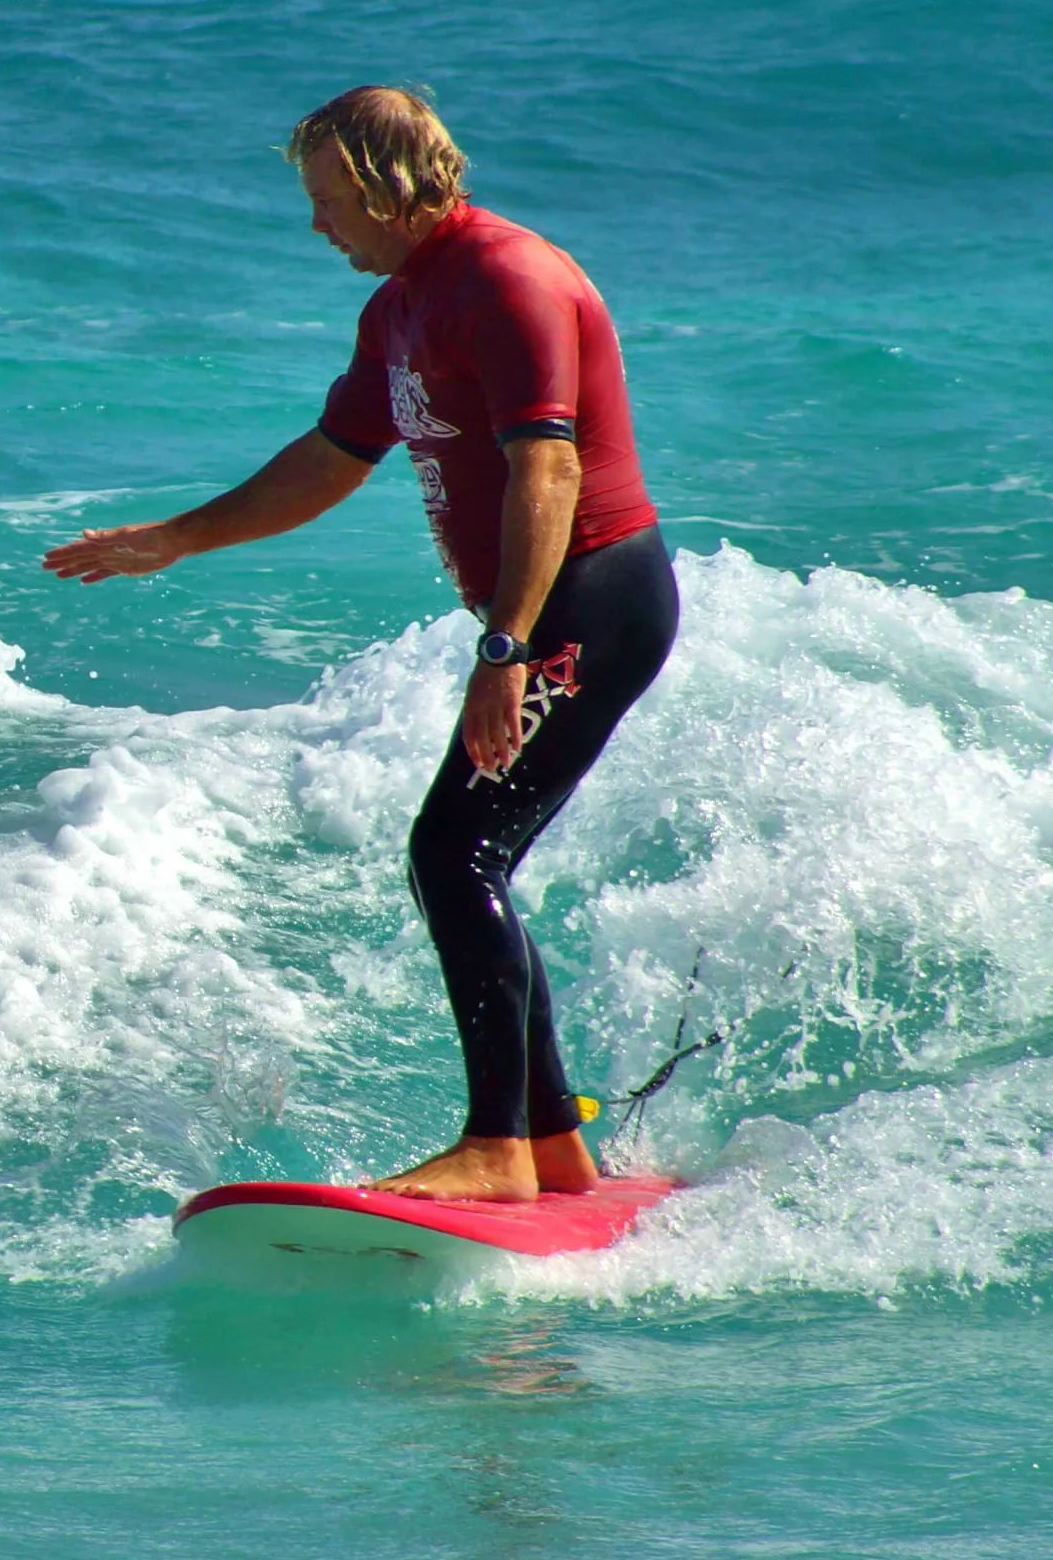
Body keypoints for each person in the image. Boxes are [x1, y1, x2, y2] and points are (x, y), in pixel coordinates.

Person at [43, 86, 676, 1202]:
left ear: (390, 187)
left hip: (590, 601)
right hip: (539, 618)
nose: (319, 225)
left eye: (331, 200)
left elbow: (551, 471)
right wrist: (176, 539)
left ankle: (497, 1150)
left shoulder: (509, 279)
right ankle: (550, 1144)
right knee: (470, 856)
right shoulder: (402, 308)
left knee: (455, 854)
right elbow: (333, 458)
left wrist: (506, 651)